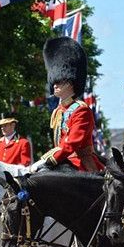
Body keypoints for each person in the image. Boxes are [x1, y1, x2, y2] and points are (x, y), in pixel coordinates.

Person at [31, 37, 103, 173]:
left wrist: (47, 159)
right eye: (54, 81)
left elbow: (71, 143)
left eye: (60, 81)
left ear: (71, 82)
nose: (55, 85)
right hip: (62, 163)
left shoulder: (81, 110)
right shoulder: (59, 110)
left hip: (81, 165)